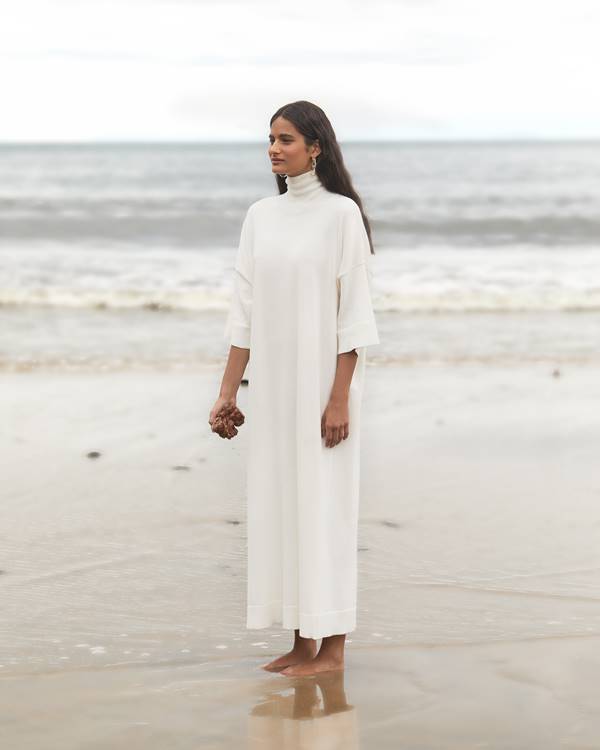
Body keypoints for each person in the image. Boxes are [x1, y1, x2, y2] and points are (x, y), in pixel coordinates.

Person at [209, 100, 379, 677]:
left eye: (286, 139)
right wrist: (228, 392)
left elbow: (355, 315)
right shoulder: (261, 215)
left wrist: (339, 398)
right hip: (278, 389)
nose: (274, 149)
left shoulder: (341, 216)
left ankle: (333, 650)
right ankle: (303, 643)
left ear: (316, 147)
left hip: (325, 389)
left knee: (325, 508)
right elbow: (244, 313)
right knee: (284, 505)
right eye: (270, 139)